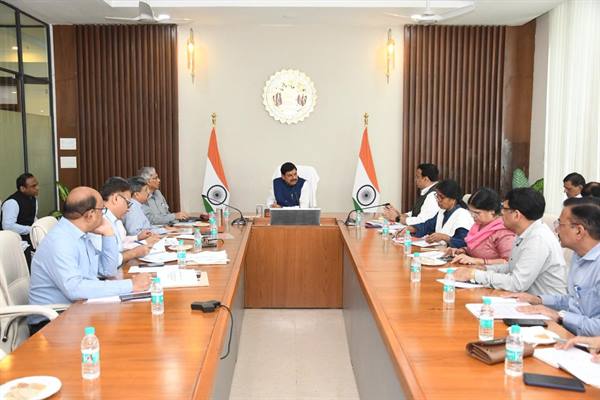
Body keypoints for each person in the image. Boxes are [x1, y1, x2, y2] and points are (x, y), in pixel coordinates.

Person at [28, 186, 151, 334]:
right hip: (52, 323)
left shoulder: (80, 235)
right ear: (90, 215)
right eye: (102, 210)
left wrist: (108, 233)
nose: (104, 215)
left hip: (78, 310)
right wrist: (131, 285)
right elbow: (75, 289)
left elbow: (107, 270)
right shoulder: (60, 241)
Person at [509, 197, 600, 336]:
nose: (556, 229)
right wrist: (538, 300)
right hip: (568, 333)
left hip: (586, 344)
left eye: (560, 224)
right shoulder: (579, 255)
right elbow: (574, 301)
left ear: (579, 231)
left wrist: (560, 316)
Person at [453, 188, 567, 296]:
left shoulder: (538, 239)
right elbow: (512, 267)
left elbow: (516, 284)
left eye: (504, 209)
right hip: (525, 299)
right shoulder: (524, 232)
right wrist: (484, 269)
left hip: (543, 305)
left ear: (516, 215)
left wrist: (475, 275)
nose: (501, 213)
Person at [446, 188, 515, 265]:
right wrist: (462, 251)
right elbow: (474, 249)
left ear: (492, 211)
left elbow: (508, 263)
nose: (473, 216)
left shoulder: (503, 232)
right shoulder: (477, 226)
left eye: (477, 213)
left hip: (490, 272)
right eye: (470, 212)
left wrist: (476, 261)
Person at [396, 180, 473, 248]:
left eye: (442, 197)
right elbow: (427, 225)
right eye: (437, 196)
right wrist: (412, 228)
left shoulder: (463, 215)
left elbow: (464, 243)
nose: (438, 200)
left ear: (453, 199)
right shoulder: (442, 211)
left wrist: (445, 237)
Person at [98, 177, 157, 265]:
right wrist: (134, 252)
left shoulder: (116, 220)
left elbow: (121, 243)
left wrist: (137, 238)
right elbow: (106, 260)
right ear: (115, 199)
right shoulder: (99, 220)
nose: (128, 209)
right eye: (127, 203)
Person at [1, 173, 39, 265]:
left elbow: (33, 217)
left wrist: (37, 228)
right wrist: (30, 229)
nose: (37, 188)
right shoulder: (12, 203)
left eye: (37, 185)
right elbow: (8, 226)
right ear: (22, 188)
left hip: (28, 235)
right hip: (13, 239)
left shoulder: (33, 199)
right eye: (33, 186)